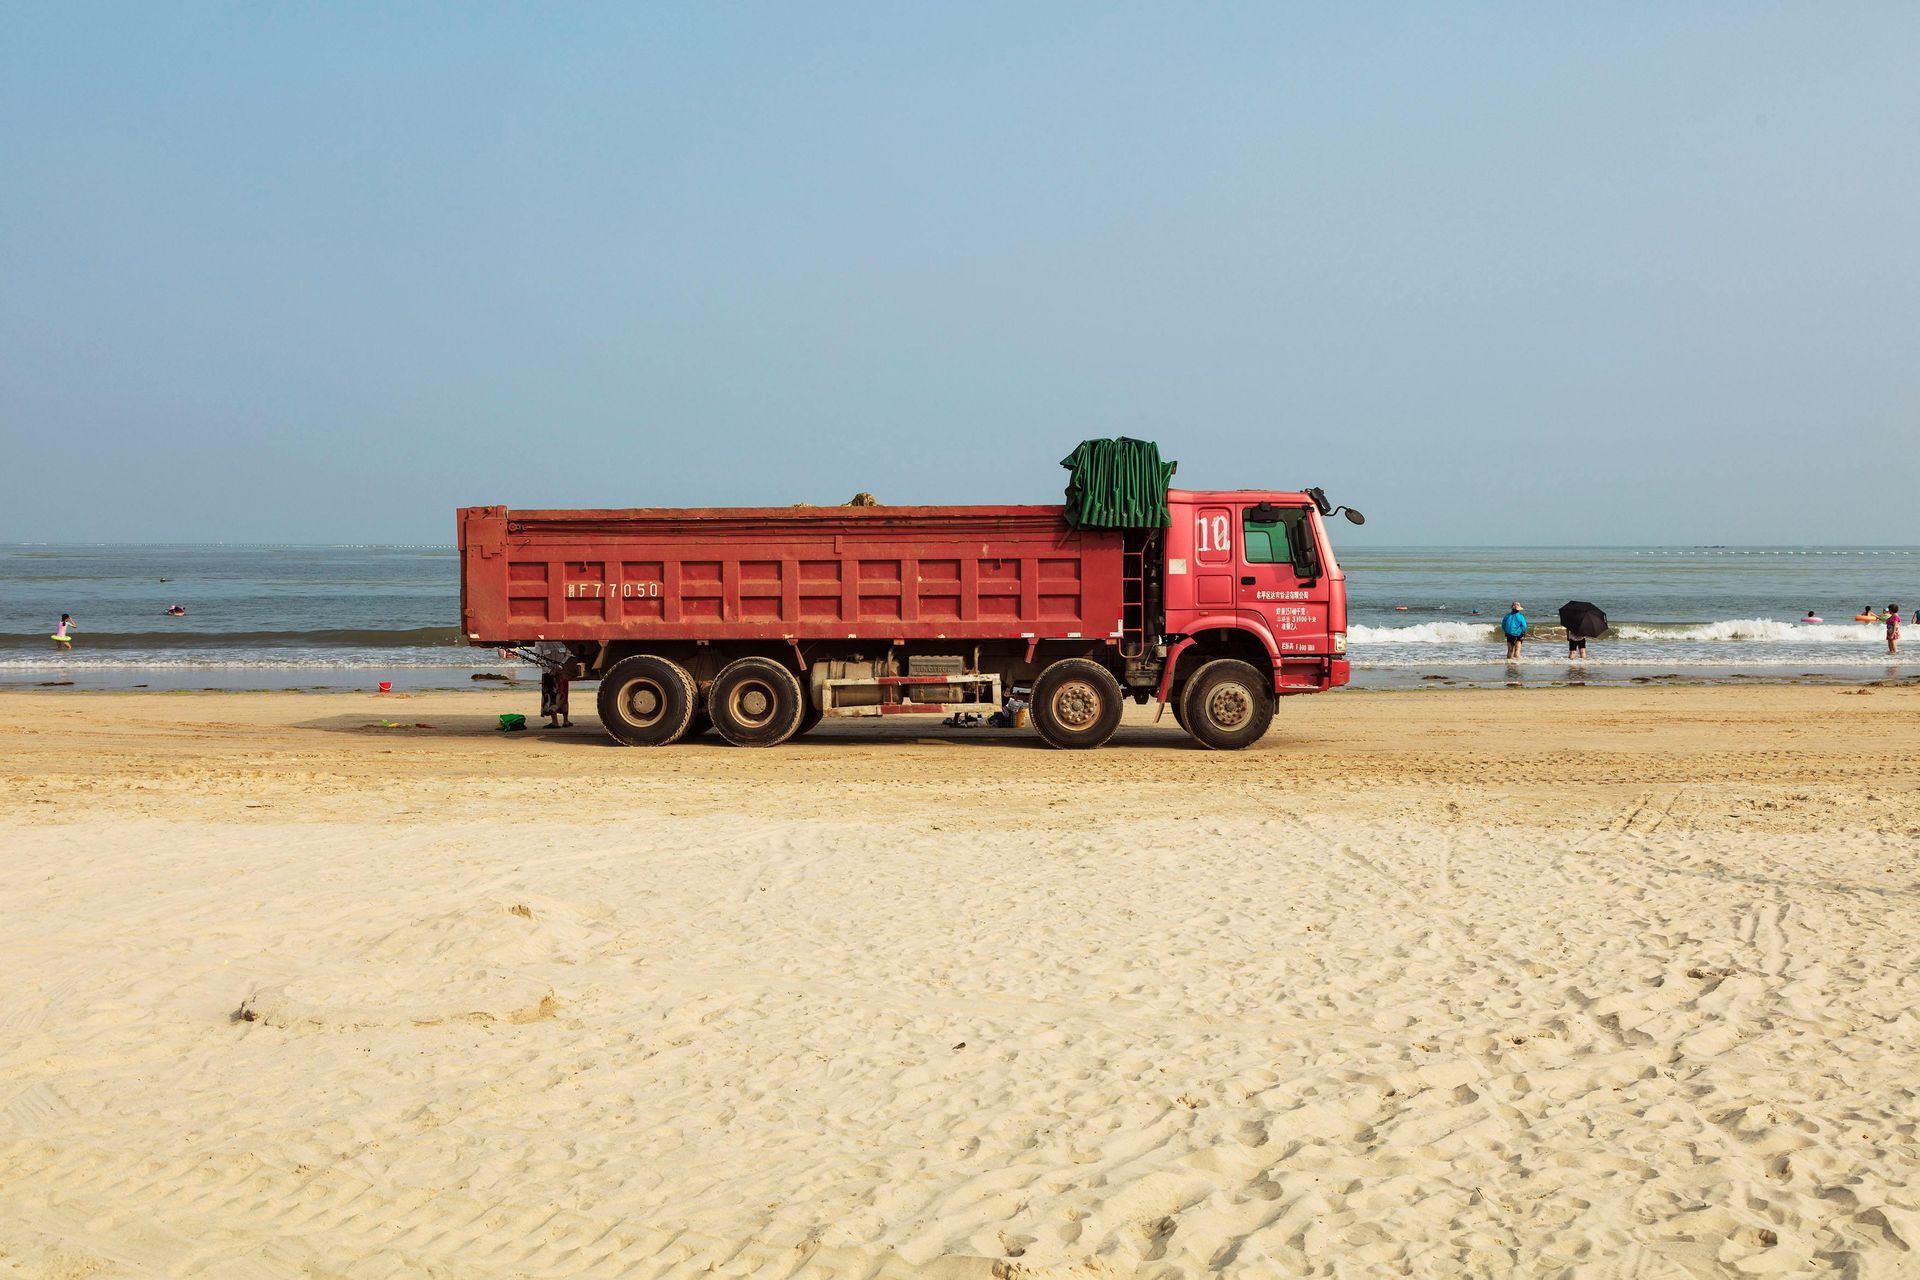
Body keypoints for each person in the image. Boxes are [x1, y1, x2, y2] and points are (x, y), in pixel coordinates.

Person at [533, 640, 573, 728]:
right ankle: (565, 721)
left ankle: (555, 722)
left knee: (551, 697)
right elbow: (569, 654)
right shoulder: (563, 638)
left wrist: (549, 670)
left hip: (549, 674)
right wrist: (560, 667)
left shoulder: (539, 642)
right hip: (562, 672)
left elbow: (539, 658)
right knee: (563, 696)